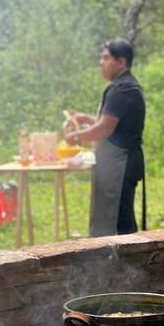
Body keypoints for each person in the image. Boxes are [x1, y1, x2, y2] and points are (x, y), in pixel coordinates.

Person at [64, 38, 145, 237]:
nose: (101, 62)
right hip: (116, 164)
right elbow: (114, 123)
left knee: (121, 223)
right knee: (118, 218)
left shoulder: (122, 89)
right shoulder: (123, 85)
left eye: (106, 58)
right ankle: (119, 264)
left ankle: (130, 265)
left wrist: (76, 136)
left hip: (120, 165)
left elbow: (104, 129)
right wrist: (87, 119)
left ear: (121, 62)